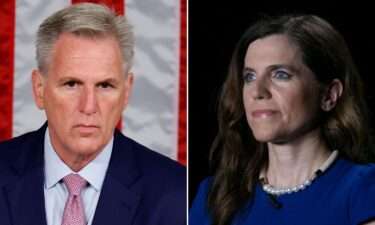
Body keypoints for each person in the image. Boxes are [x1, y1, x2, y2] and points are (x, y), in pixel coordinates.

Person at [0, 3, 186, 225]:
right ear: (39, 89)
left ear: (126, 92)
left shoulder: (176, 193)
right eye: (72, 84)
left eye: (105, 86)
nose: (89, 106)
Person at [189, 14, 375, 225]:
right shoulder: (214, 197)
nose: (257, 92)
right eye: (249, 77)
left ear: (329, 96)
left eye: (280, 75)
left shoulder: (364, 190)